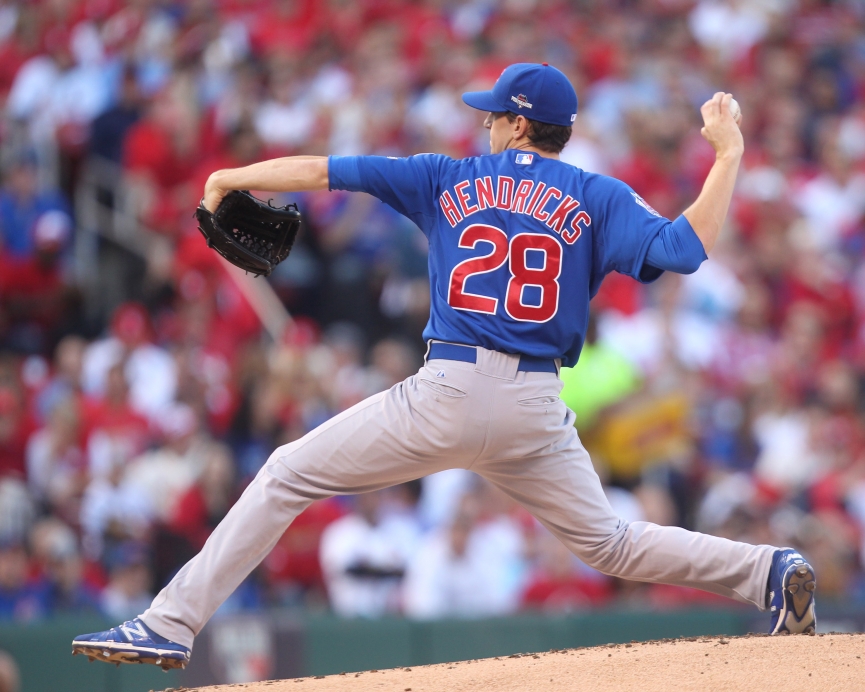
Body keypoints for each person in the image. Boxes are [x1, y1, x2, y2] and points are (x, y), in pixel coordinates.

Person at [71, 63, 816, 670]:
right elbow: (686, 250)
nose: (485, 123)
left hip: (451, 388)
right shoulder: (597, 194)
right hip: (533, 406)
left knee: (287, 475)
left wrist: (233, 176)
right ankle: (768, 572)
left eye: (494, 114)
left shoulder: (446, 176)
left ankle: (169, 622)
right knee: (610, 543)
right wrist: (728, 155)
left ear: (519, 124)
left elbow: (327, 171)